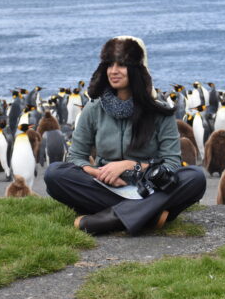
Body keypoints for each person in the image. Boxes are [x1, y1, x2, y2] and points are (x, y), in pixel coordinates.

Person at [44, 36, 206, 235]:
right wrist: (98, 173)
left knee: (195, 177)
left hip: (150, 188)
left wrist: (130, 165)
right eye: (109, 64)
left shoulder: (159, 112)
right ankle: (149, 214)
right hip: (105, 187)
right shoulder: (94, 109)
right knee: (54, 174)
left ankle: (112, 217)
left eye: (121, 65)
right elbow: (76, 155)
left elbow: (172, 163)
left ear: (136, 70)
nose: (113, 70)